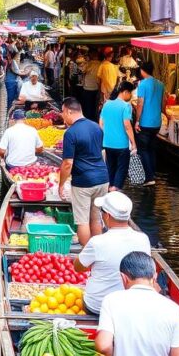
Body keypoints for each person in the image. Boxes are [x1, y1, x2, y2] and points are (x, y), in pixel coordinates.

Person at [73, 192, 151, 314]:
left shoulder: (97, 242)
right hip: (129, 307)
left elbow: (78, 267)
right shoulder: (143, 239)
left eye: (102, 211)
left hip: (97, 307)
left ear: (107, 216)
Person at [58, 97, 110, 246]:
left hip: (83, 182)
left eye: (62, 112)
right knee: (95, 217)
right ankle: (97, 252)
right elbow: (102, 153)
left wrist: (61, 184)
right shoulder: (96, 127)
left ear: (69, 111)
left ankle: (86, 255)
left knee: (82, 221)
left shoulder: (70, 133)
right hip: (102, 179)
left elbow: (68, 163)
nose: (62, 115)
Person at [99, 81, 137, 191]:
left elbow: (101, 123)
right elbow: (127, 126)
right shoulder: (126, 106)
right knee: (122, 168)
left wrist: (105, 136)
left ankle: (110, 188)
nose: (130, 96)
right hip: (121, 145)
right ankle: (115, 190)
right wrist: (133, 143)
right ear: (125, 92)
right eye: (130, 93)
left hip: (107, 143)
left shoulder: (107, 104)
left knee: (110, 167)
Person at [134, 60, 165, 186]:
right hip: (157, 122)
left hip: (145, 122)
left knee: (143, 149)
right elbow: (163, 103)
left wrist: (137, 120)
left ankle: (149, 177)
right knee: (151, 149)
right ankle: (152, 173)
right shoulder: (160, 84)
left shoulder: (142, 84)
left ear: (142, 70)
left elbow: (140, 104)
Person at [80, 53, 103, 120]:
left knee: (88, 105)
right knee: (94, 104)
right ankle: (94, 118)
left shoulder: (88, 64)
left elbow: (83, 70)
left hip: (88, 87)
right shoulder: (101, 64)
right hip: (96, 87)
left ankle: (88, 118)